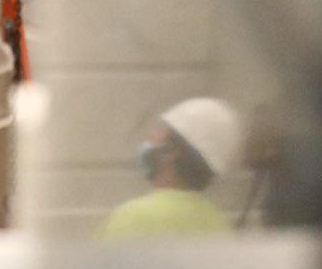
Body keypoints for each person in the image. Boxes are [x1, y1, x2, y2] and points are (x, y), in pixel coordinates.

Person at [100, 97, 243, 239]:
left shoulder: (132, 217)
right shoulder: (218, 225)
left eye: (160, 132)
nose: (151, 136)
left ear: (171, 151)